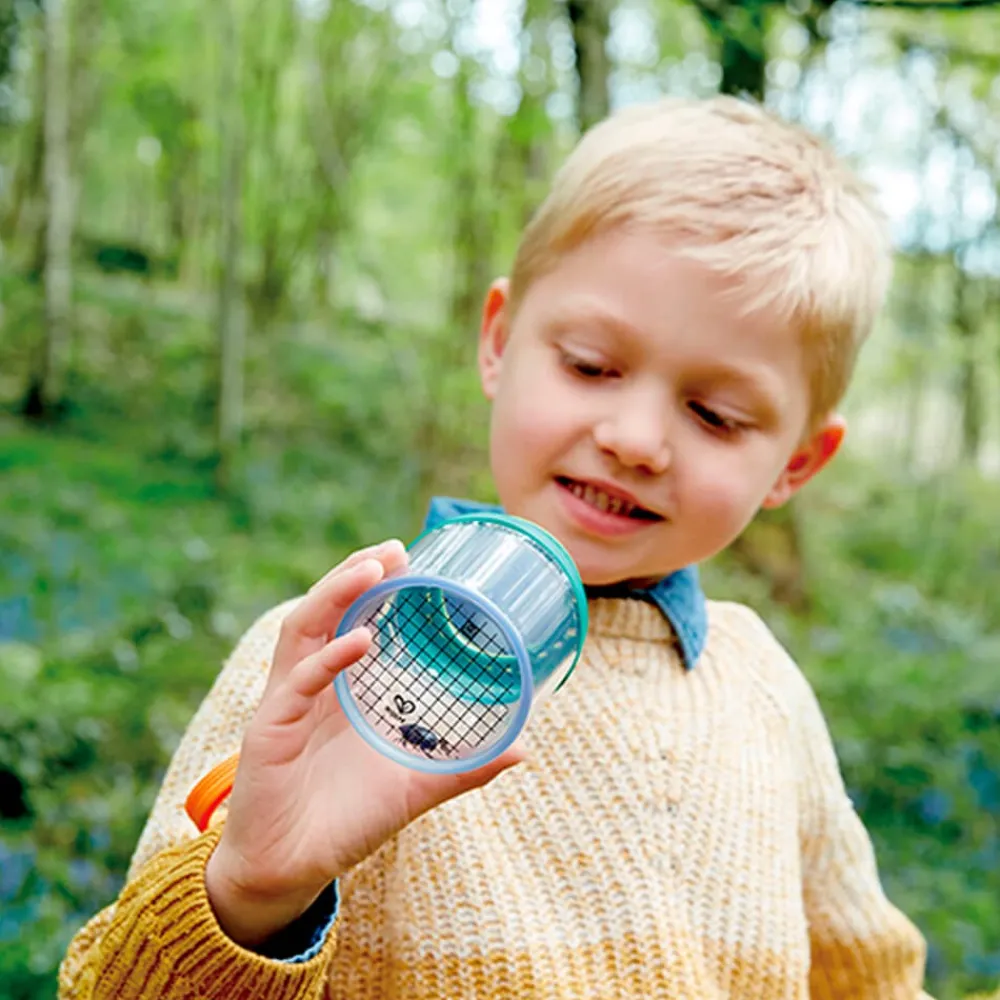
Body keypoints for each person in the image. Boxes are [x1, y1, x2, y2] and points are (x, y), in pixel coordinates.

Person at [59, 95, 933, 1000]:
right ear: (499, 341)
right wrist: (251, 893)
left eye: (715, 414)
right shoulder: (331, 665)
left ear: (796, 463)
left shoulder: (763, 690)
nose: (636, 439)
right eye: (591, 366)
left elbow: (870, 981)